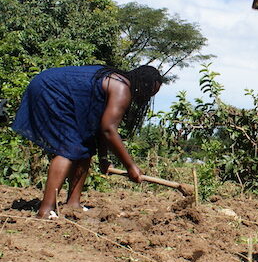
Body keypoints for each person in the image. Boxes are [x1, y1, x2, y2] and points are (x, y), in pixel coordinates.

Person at [12, 65, 163, 219]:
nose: (147, 98)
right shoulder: (122, 88)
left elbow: (100, 128)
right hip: (50, 90)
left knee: (85, 145)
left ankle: (73, 204)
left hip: (56, 90)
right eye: (148, 92)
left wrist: (103, 158)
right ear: (141, 85)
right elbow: (109, 129)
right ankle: (46, 209)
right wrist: (131, 167)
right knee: (69, 147)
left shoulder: (117, 82)